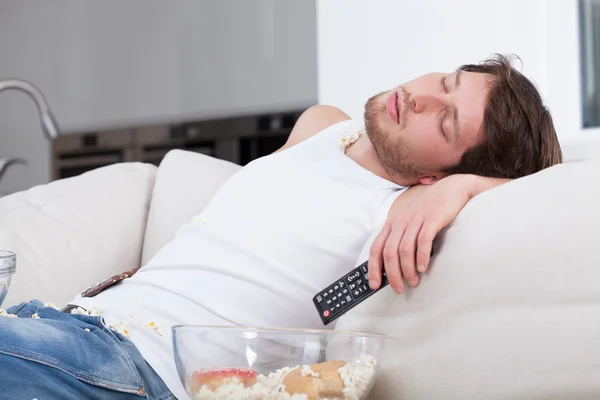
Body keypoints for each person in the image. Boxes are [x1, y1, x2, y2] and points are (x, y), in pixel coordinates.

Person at [1, 54, 562, 399]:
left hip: (132, 369)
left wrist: (462, 188)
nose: (417, 96)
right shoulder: (322, 127)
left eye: (444, 120)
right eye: (445, 79)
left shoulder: (395, 216)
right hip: (63, 322)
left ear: (440, 173)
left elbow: (552, 198)